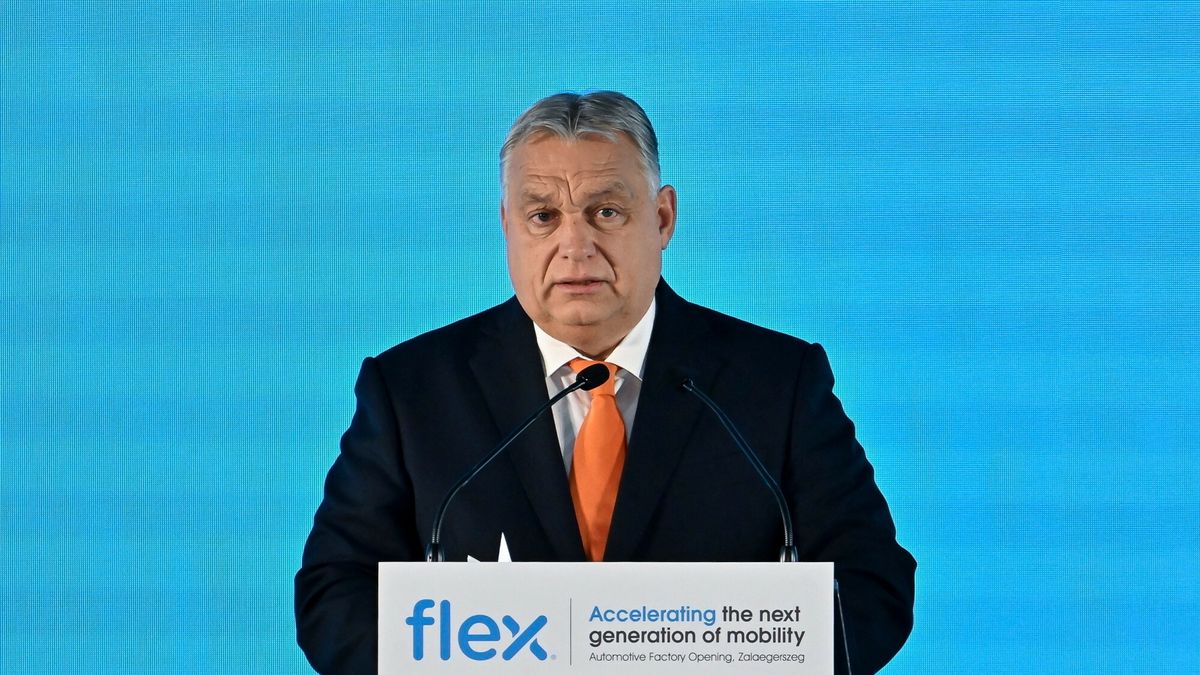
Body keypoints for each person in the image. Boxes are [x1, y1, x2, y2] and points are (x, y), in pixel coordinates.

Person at [295, 91, 915, 674]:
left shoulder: (776, 383)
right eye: (543, 215)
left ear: (664, 218)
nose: (575, 245)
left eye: (606, 211)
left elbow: (871, 588)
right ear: (508, 224)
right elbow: (335, 598)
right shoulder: (413, 390)